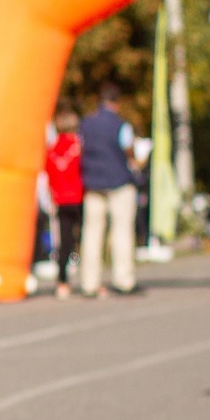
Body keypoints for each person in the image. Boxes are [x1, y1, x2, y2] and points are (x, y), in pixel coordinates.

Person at [76, 86, 140, 296]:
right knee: (122, 231)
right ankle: (123, 280)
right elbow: (128, 150)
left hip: (93, 183)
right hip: (119, 182)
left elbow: (80, 149)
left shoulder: (86, 125)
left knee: (91, 233)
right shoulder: (121, 125)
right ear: (117, 103)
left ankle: (89, 282)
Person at [45, 106, 85, 297]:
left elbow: (49, 173)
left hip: (60, 199)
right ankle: (88, 278)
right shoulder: (78, 146)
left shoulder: (52, 149)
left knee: (65, 240)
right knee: (84, 238)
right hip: (78, 196)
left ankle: (62, 281)